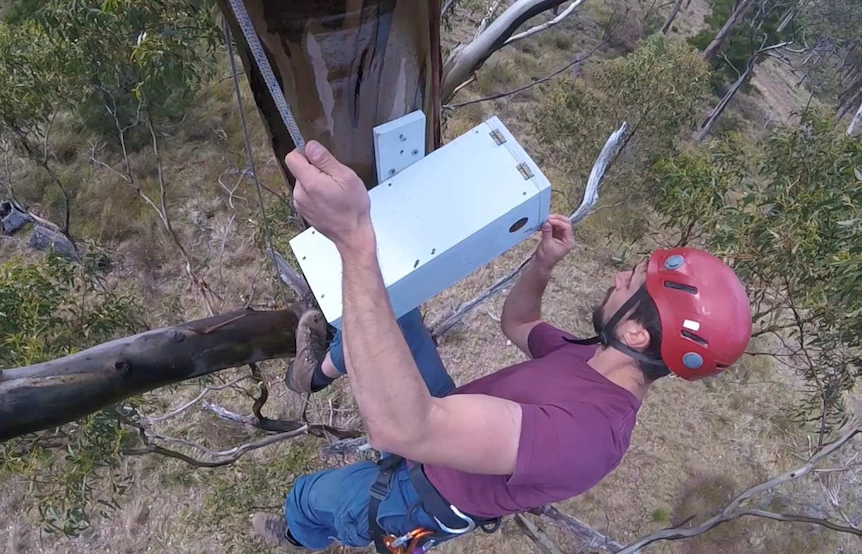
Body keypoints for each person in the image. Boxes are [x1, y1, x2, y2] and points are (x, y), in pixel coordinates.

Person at [250, 141, 753, 552]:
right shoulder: (596, 360)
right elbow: (521, 322)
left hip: (420, 493)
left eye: (632, 283)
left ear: (637, 334)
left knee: (306, 497)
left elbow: (403, 428)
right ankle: (316, 374)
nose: (620, 276)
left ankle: (297, 538)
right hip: (449, 416)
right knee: (391, 304)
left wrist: (353, 236)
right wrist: (542, 265)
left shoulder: (589, 437)